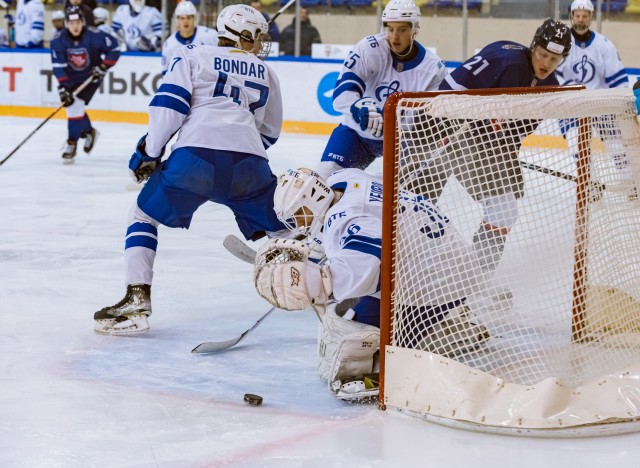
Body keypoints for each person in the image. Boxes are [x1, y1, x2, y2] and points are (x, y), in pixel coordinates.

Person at [93, 4, 285, 336]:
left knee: (142, 217)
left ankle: (137, 297)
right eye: (259, 37)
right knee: (283, 231)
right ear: (247, 36)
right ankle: (327, 290)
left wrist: (149, 151)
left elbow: (169, 109)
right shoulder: (266, 71)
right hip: (250, 164)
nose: (261, 44)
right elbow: (268, 132)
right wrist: (240, 155)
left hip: (195, 158)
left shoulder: (192, 55)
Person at [253, 168, 489, 400]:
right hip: (450, 263)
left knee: (352, 336)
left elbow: (360, 268)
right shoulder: (345, 179)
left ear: (313, 199)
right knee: (354, 310)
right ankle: (448, 318)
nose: (300, 225)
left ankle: (442, 330)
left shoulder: (349, 219)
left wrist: (308, 282)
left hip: (434, 285)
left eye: (300, 215)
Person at [426, 19, 570, 287]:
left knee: (503, 211)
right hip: (454, 136)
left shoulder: (548, 82)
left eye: (554, 59)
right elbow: (448, 90)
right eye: (543, 55)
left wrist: (508, 147)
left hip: (486, 146)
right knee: (417, 202)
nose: (546, 63)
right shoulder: (503, 61)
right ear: (533, 47)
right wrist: (438, 131)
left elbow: (518, 131)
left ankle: (475, 280)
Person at [314, 0, 448, 181]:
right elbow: (341, 93)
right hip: (357, 133)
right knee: (322, 181)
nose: (394, 37)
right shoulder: (369, 48)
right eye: (390, 28)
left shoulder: (433, 68)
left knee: (404, 195)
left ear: (414, 29)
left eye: (402, 29)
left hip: (403, 141)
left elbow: (429, 121)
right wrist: (358, 106)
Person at [554, 0, 635, 200]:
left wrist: (621, 104)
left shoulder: (603, 45)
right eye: (577, 15)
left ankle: (632, 183)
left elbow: (617, 78)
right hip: (572, 105)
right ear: (571, 16)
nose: (580, 19)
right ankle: (590, 184)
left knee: (616, 145)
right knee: (575, 144)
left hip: (600, 103)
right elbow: (554, 75)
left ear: (590, 17)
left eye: (584, 15)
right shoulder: (562, 44)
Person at [50, 6, 121, 163]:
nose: (75, 26)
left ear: (83, 22)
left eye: (78, 22)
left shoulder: (95, 36)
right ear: (66, 23)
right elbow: (58, 67)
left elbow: (115, 49)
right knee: (72, 104)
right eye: (71, 22)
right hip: (70, 77)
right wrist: (64, 87)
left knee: (74, 107)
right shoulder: (58, 40)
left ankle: (72, 143)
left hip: (91, 76)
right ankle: (89, 131)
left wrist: (103, 67)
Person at [161, 0, 218, 76]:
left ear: (194, 18)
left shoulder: (210, 36)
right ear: (177, 20)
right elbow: (166, 74)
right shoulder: (169, 45)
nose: (186, 21)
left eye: (189, 17)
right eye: (182, 18)